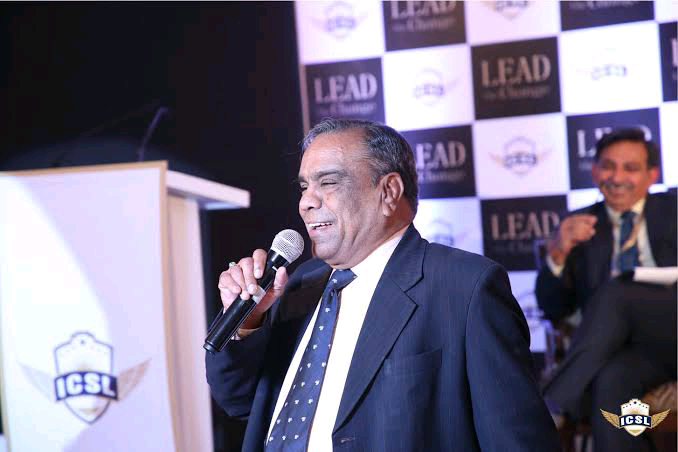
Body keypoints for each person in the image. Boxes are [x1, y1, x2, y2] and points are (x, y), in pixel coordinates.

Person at [207, 118, 559, 451]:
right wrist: (247, 323)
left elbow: (518, 442)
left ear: (389, 191)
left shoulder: (465, 288)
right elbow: (241, 402)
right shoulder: (299, 284)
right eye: (304, 187)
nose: (306, 203)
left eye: (328, 183)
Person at [536, 128, 677, 452]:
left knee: (618, 290)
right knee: (612, 381)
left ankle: (554, 401)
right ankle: (562, 400)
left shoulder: (673, 210)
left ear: (652, 175)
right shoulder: (579, 224)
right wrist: (558, 251)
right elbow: (553, 308)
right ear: (594, 170)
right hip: (628, 352)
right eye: (608, 166)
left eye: (631, 168)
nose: (617, 178)